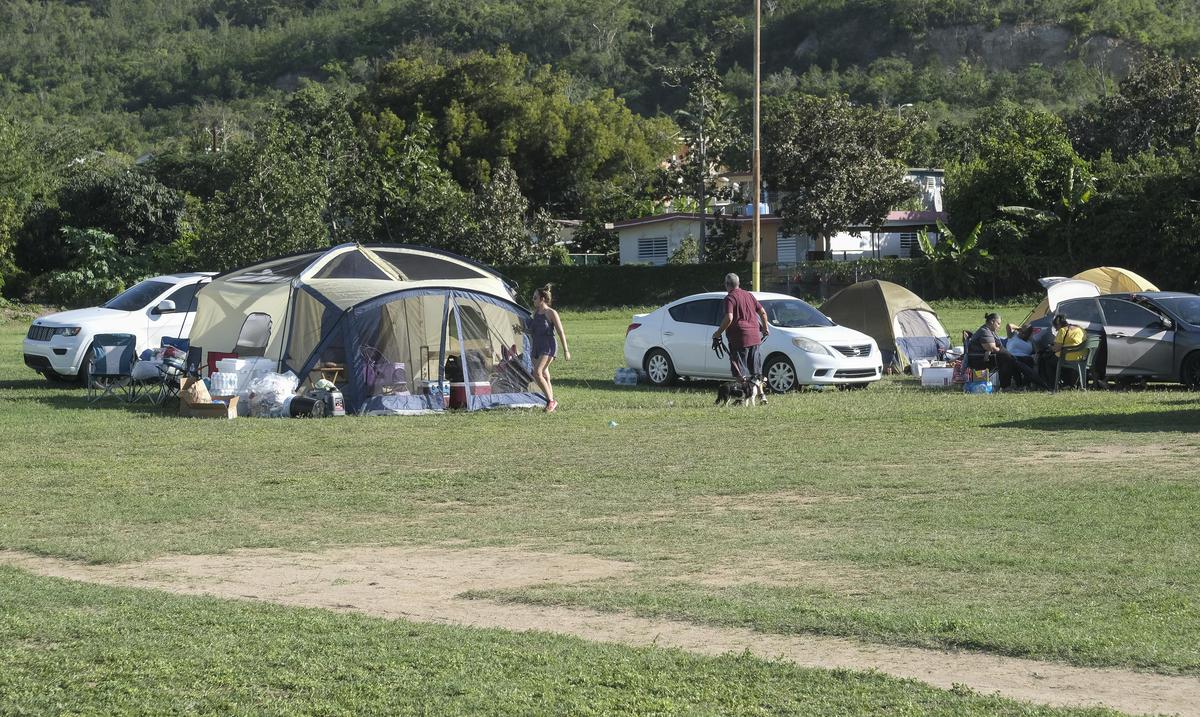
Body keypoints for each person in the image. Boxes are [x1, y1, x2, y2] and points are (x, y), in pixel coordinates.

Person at [711, 273, 770, 387]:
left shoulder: (730, 298)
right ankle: (761, 395)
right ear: (739, 284)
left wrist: (717, 333)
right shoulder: (749, 295)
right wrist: (765, 328)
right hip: (755, 337)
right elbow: (762, 312)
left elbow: (729, 317)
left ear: (726, 285)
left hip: (739, 339)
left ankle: (743, 395)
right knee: (756, 373)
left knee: (740, 372)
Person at [530, 284, 570, 412]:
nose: (533, 300)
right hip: (536, 345)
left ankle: (551, 401)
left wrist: (566, 350)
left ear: (542, 299)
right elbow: (532, 330)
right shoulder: (535, 313)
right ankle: (551, 402)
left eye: (535, 297)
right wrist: (522, 330)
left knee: (537, 373)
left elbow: (560, 332)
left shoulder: (551, 313)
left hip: (548, 346)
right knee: (545, 375)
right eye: (533, 297)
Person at [967, 312, 1022, 389]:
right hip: (980, 360)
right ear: (992, 321)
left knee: (1014, 360)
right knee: (1008, 360)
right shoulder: (984, 331)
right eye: (998, 323)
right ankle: (1008, 386)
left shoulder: (990, 331)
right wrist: (1000, 349)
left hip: (986, 357)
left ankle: (1020, 384)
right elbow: (991, 348)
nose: (999, 326)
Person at [1050, 314, 1087, 388]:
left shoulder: (1062, 330)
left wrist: (1050, 347)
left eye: (1056, 327)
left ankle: (1051, 384)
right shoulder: (1079, 328)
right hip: (1081, 356)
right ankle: (1068, 383)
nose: (1056, 330)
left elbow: (1056, 348)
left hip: (1068, 358)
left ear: (1059, 324)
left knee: (1049, 361)